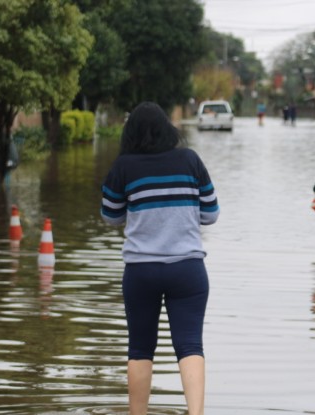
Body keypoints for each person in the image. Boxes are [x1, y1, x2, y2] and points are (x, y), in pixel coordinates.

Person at [100, 102, 219, 415]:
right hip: (188, 269)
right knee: (191, 344)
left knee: (140, 348)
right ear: (169, 128)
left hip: (141, 271)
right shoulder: (190, 160)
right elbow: (211, 213)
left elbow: (110, 216)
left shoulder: (124, 166)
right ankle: (196, 413)